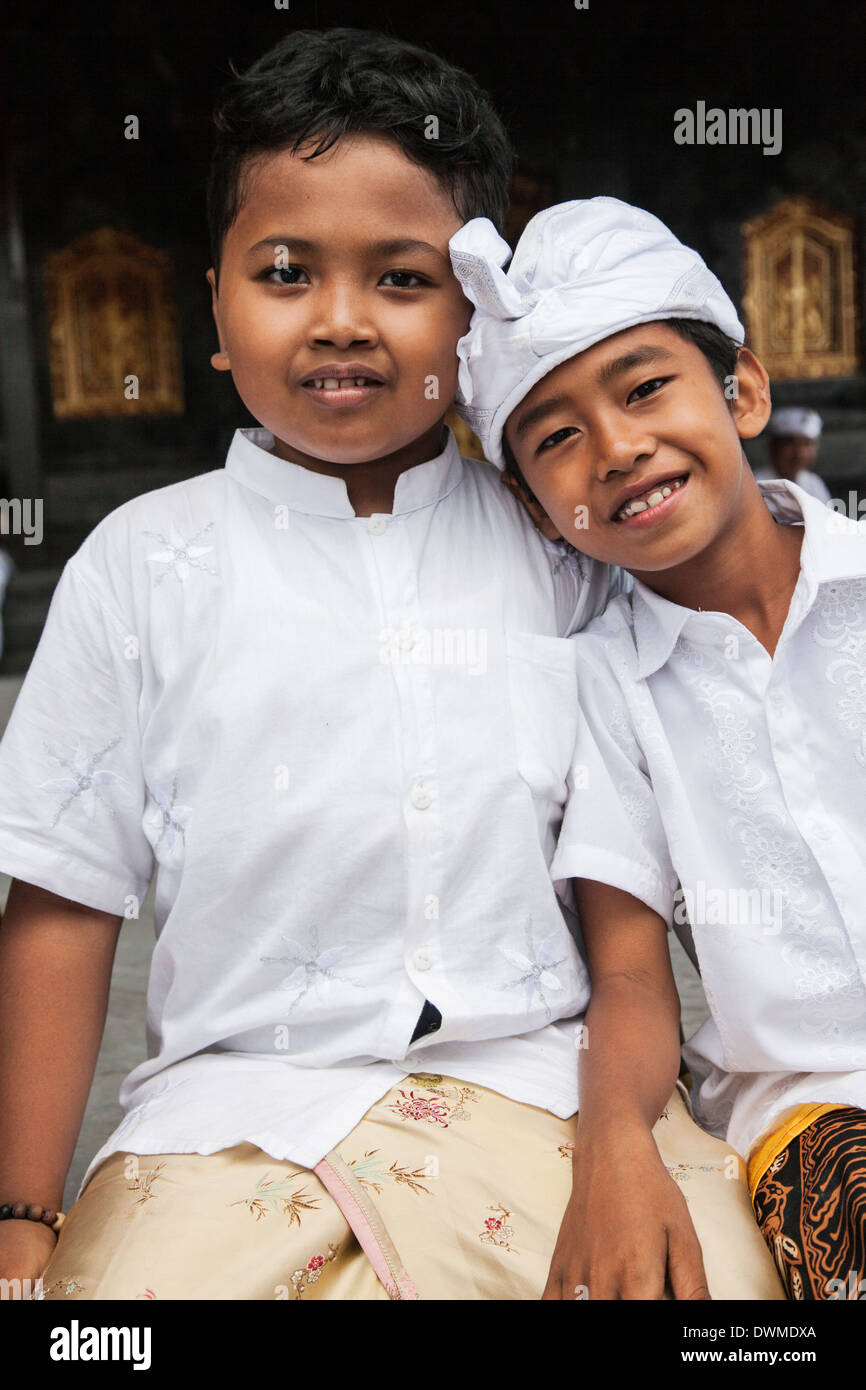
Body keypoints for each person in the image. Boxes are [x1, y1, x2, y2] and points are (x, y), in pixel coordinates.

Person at [450, 196, 866, 1300]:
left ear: (742, 391)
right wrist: (613, 1145)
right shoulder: (602, 688)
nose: (618, 447)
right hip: (820, 1110)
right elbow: (630, 972)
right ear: (537, 510)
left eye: (643, 389)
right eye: (555, 438)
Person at [755, 405, 831, 502]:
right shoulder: (755, 485)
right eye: (790, 443)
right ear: (773, 446)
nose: (799, 453)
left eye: (806, 444)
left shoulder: (815, 484)